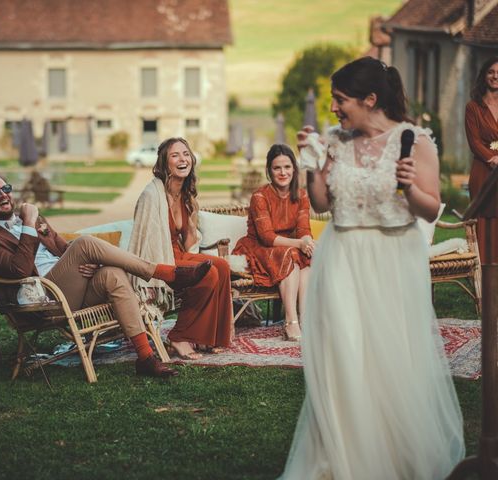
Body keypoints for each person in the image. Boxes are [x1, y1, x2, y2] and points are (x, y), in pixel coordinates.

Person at [279, 57, 464, 479]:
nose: (334, 109)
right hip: (342, 257)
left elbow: (431, 206)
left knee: (390, 357)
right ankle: (344, 460)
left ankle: (392, 458)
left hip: (393, 260)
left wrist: (409, 187)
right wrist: (311, 166)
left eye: (340, 100)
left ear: (371, 99)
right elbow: (323, 204)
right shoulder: (336, 141)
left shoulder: (415, 141)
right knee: (343, 355)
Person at [0, 171, 213, 378]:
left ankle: (145, 358)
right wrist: (29, 221)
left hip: (69, 288)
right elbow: (20, 270)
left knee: (111, 274)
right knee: (85, 243)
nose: (3, 194)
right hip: (42, 299)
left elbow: (65, 251)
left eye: (6, 188)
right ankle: (165, 273)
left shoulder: (33, 221)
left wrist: (93, 266)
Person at [129, 138, 233, 360]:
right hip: (161, 260)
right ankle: (179, 336)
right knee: (208, 273)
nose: (183, 159)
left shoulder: (184, 194)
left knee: (222, 266)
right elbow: (146, 243)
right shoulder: (152, 195)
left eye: (186, 154)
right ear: (165, 163)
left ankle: (208, 337)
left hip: (179, 254)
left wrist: (192, 217)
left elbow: (188, 244)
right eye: (175, 155)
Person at [232, 144, 314, 341]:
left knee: (305, 254)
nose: (283, 172)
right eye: (277, 168)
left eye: (287, 167)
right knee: (292, 253)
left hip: (286, 247)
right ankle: (290, 321)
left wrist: (308, 242)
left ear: (294, 168)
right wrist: (299, 244)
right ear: (269, 170)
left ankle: (305, 318)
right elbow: (267, 237)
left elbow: (303, 229)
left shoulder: (302, 195)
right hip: (259, 247)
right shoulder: (260, 196)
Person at [465, 55, 498, 264]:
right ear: (484, 75)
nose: (495, 76)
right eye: (491, 72)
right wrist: (493, 159)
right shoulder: (473, 107)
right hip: (483, 172)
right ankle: (484, 279)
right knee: (484, 222)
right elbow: (474, 142)